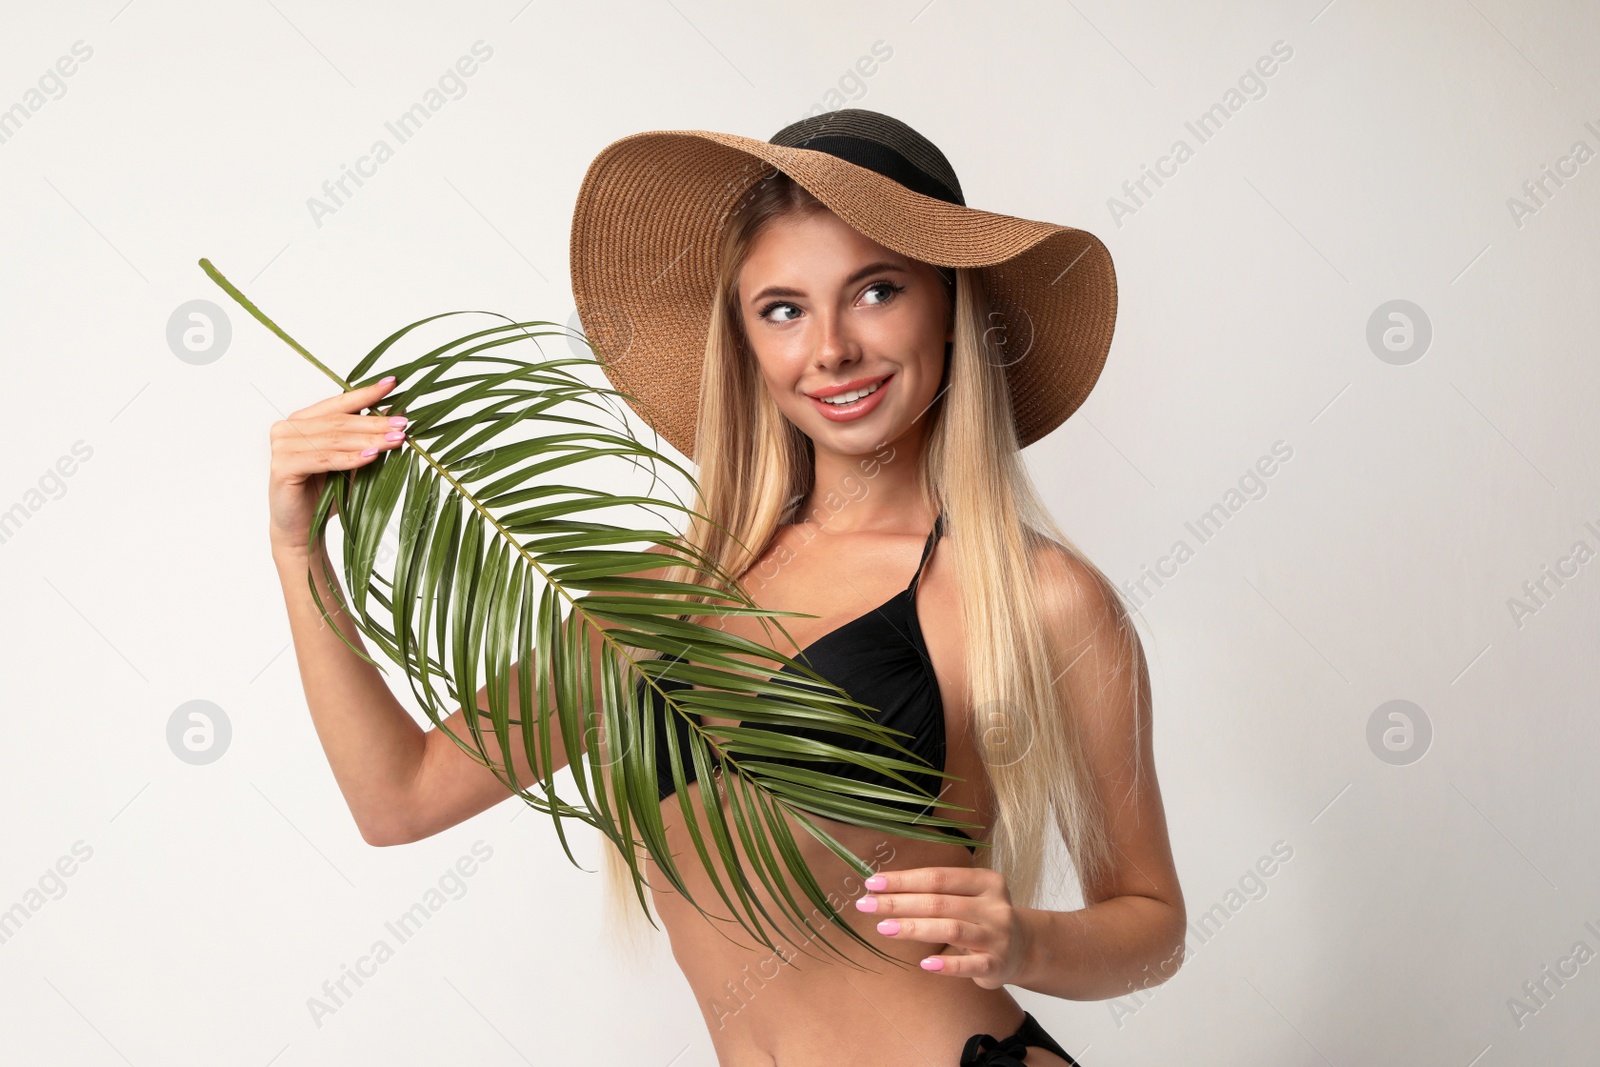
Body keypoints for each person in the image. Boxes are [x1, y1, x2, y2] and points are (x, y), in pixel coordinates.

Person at [267, 109, 1185, 1066]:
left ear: (951, 310)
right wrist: (299, 550)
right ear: (746, 341)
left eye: (875, 291)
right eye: (783, 309)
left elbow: (1152, 925)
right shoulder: (662, 597)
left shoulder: (1035, 595)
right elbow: (399, 798)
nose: (829, 348)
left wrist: (1030, 939)